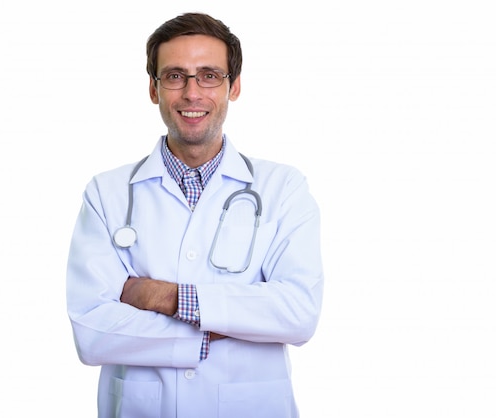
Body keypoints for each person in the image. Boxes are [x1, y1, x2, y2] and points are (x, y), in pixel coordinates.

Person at [66, 12, 324, 418]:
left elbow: (297, 312)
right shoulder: (107, 192)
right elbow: (93, 331)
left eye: (209, 75)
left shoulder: (283, 188)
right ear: (153, 89)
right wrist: (224, 326)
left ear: (233, 87)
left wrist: (161, 296)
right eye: (174, 76)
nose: (191, 93)